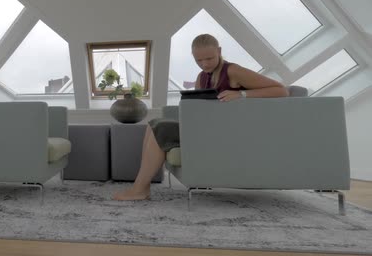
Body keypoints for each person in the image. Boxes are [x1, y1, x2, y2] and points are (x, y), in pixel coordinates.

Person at [112, 33, 289, 201]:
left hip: (226, 132)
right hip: (207, 128)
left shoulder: (234, 71)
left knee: (160, 128)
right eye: (199, 60)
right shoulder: (202, 76)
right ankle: (141, 187)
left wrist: (241, 95)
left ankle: (140, 189)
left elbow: (281, 90)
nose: (204, 64)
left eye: (209, 58)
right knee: (154, 124)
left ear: (219, 51)